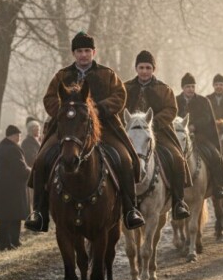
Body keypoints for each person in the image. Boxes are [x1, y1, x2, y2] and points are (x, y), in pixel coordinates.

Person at [25, 31, 145, 233]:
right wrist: (64, 113)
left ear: (94, 52)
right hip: (68, 129)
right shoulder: (62, 75)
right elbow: (50, 98)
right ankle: (39, 212)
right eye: (79, 51)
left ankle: (130, 210)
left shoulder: (107, 74)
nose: (83, 55)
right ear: (74, 53)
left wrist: (99, 109)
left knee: (125, 159)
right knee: (43, 159)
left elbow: (119, 95)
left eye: (87, 51)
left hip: (104, 127)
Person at [123, 50, 191, 220]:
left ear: (153, 68)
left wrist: (154, 123)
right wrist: (126, 123)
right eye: (141, 67)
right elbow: (118, 108)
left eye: (148, 67)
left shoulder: (164, 89)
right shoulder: (126, 87)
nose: (144, 71)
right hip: (130, 133)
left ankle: (178, 201)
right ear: (136, 68)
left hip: (160, 133)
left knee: (176, 158)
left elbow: (171, 109)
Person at [176, 72, 223, 199]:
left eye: (192, 86)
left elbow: (207, 118)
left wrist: (194, 126)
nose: (190, 89)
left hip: (200, 137)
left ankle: (218, 186)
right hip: (179, 137)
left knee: (216, 156)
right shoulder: (176, 100)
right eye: (188, 86)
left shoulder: (203, 101)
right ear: (183, 88)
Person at [0, 125, 31, 250]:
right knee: (11, 216)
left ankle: (12, 241)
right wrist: (30, 170)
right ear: (12, 135)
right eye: (18, 135)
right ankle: (7, 243)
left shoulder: (3, 147)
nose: (19, 137)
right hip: (12, 188)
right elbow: (20, 168)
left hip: (5, 186)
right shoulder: (12, 149)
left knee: (9, 216)